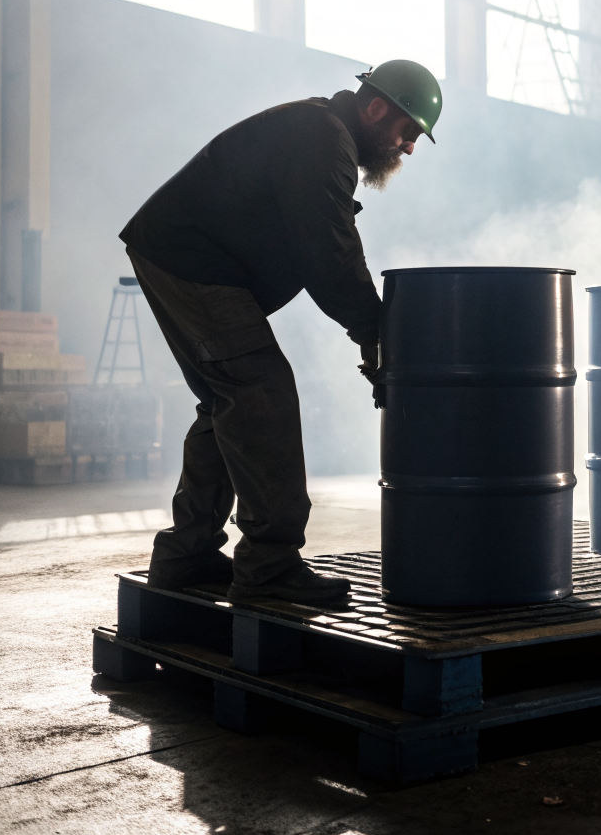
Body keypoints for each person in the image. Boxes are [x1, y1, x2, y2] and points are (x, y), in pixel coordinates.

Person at [119, 60, 443, 606]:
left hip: (177, 253)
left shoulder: (321, 130)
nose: (408, 147)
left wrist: (370, 329)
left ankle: (188, 555)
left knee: (229, 400)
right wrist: (375, 328)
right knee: (259, 392)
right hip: (192, 262)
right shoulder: (323, 138)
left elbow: (323, 248)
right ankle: (269, 567)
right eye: (407, 130)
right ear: (377, 107)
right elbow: (330, 253)